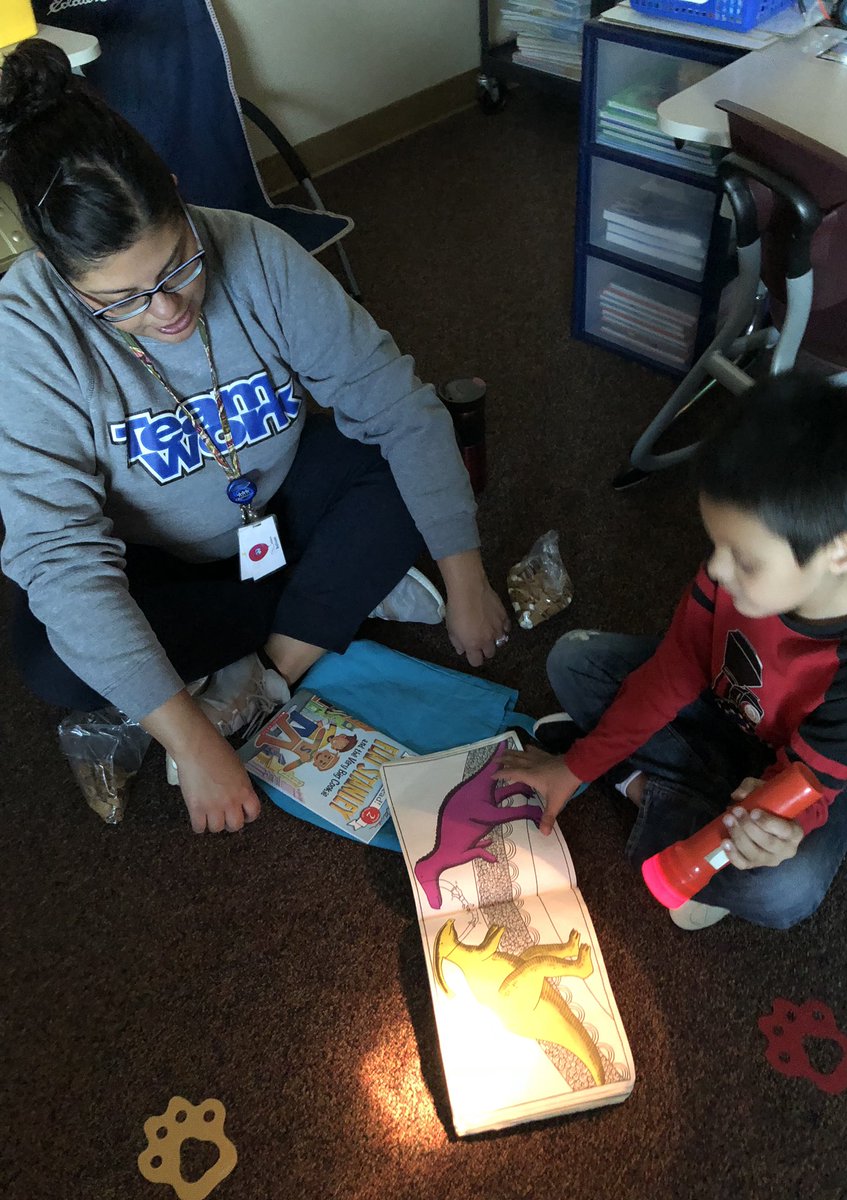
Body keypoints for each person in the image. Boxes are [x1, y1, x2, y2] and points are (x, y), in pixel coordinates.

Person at [0, 39, 510, 835]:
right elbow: (61, 559)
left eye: (178, 265)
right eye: (120, 301)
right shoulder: (26, 332)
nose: (167, 310)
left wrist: (467, 576)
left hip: (273, 507)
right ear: (62, 276)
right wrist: (192, 739)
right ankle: (329, 602)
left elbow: (396, 406)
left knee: (401, 460)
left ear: (178, 198)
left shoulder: (255, 249)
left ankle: (268, 667)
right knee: (48, 650)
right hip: (156, 560)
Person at [498, 374, 847, 930]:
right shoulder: (739, 569)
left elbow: (808, 787)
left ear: (839, 553)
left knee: (789, 887)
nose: (715, 568)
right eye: (716, 543)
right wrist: (573, 767)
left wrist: (778, 834)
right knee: (572, 660)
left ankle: (639, 786)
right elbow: (672, 673)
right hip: (730, 705)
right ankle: (662, 795)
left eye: (744, 558)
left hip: (815, 770)